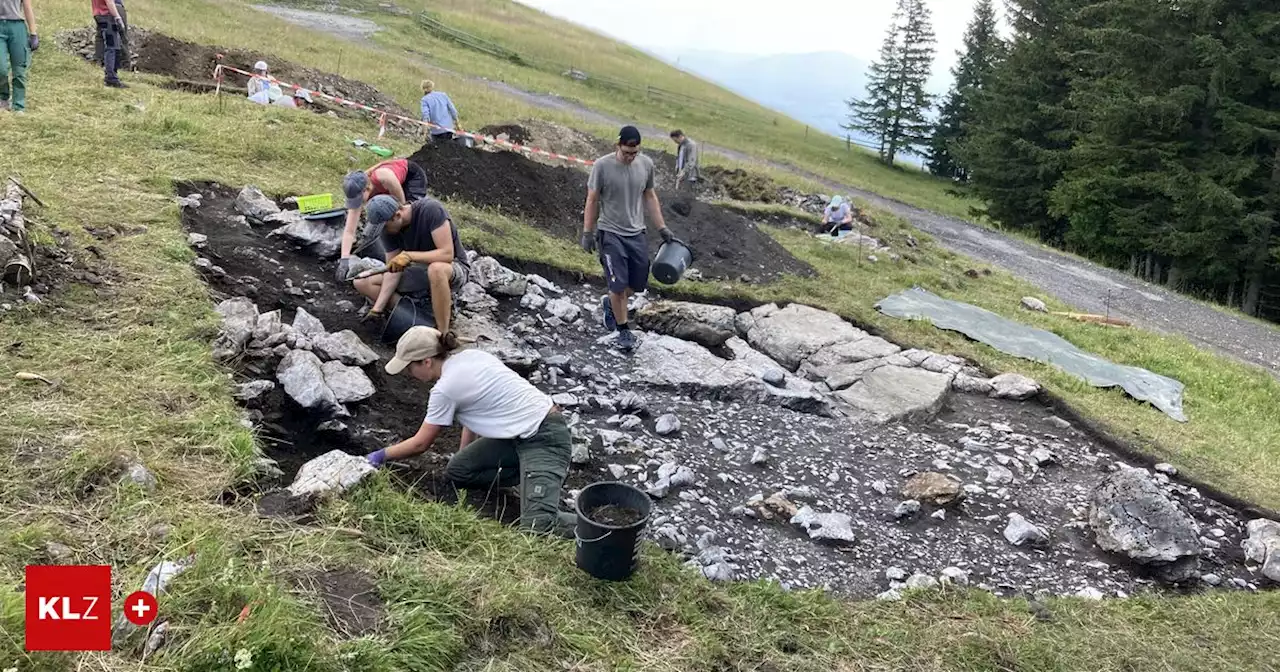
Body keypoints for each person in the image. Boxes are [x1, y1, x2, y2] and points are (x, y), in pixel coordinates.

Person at [365, 327, 576, 537]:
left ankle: (597, 527)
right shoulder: (471, 357)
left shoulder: (445, 389)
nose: (409, 374)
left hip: (545, 437)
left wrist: (380, 455)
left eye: (410, 368)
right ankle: (535, 478)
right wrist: (464, 454)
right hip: (517, 436)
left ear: (426, 361)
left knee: (538, 528)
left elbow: (421, 444)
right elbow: (475, 412)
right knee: (459, 470)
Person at [581, 125, 676, 351]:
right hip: (610, 232)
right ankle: (623, 329)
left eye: (635, 153)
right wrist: (587, 232)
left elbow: (650, 196)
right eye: (626, 153)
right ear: (618, 146)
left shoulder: (646, 165)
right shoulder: (602, 166)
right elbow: (592, 200)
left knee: (638, 283)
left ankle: (609, 304)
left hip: (636, 232)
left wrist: (662, 227)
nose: (631, 157)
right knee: (618, 285)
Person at [354, 195, 469, 335]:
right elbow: (393, 269)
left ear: (397, 215)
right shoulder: (389, 230)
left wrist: (410, 256)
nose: (384, 231)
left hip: (452, 268)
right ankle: (418, 316)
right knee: (362, 282)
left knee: (436, 269)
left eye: (385, 227)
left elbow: (447, 254)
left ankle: (442, 333)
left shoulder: (430, 210)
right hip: (420, 271)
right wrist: (376, 310)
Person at [338, 157, 429, 263]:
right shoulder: (358, 190)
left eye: (358, 199)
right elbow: (349, 230)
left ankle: (417, 252)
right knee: (378, 223)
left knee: (403, 220)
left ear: (366, 189)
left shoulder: (384, 178)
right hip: (386, 188)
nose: (358, 203)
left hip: (411, 177)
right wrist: (344, 258)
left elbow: (402, 210)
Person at [0, 0, 36, 113]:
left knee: (19, 69)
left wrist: (33, 33)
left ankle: (18, 104)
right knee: (1, 69)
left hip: (17, 27)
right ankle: (3, 97)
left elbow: (27, 7)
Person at [90, 0, 126, 89]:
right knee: (112, 47)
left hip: (98, 14)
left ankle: (111, 75)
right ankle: (111, 78)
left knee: (111, 45)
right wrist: (118, 17)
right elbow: (109, 1)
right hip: (107, 16)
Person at [670, 130, 700, 194]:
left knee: (688, 194)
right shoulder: (681, 145)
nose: (675, 142)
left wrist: (684, 171)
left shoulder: (691, 145)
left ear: (680, 136)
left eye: (676, 140)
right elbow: (679, 158)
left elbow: (691, 161)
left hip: (691, 176)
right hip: (682, 174)